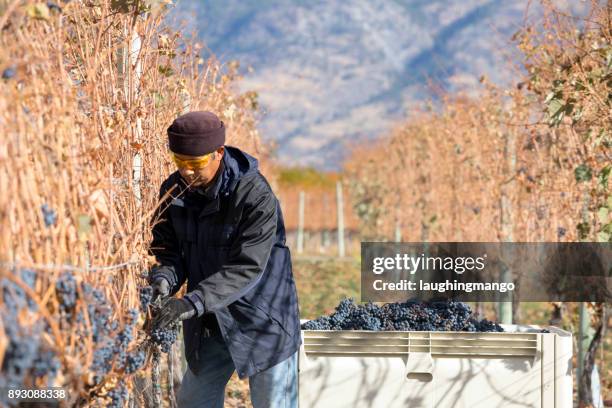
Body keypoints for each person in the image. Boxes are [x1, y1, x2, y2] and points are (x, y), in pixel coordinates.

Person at [148, 111, 301, 408]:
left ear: (219, 153)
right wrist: (164, 280)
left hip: (261, 319)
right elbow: (168, 250)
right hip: (209, 321)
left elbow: (247, 267)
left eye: (195, 164)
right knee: (193, 401)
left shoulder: (255, 195)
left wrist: (190, 302)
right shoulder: (173, 191)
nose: (187, 172)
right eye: (180, 162)